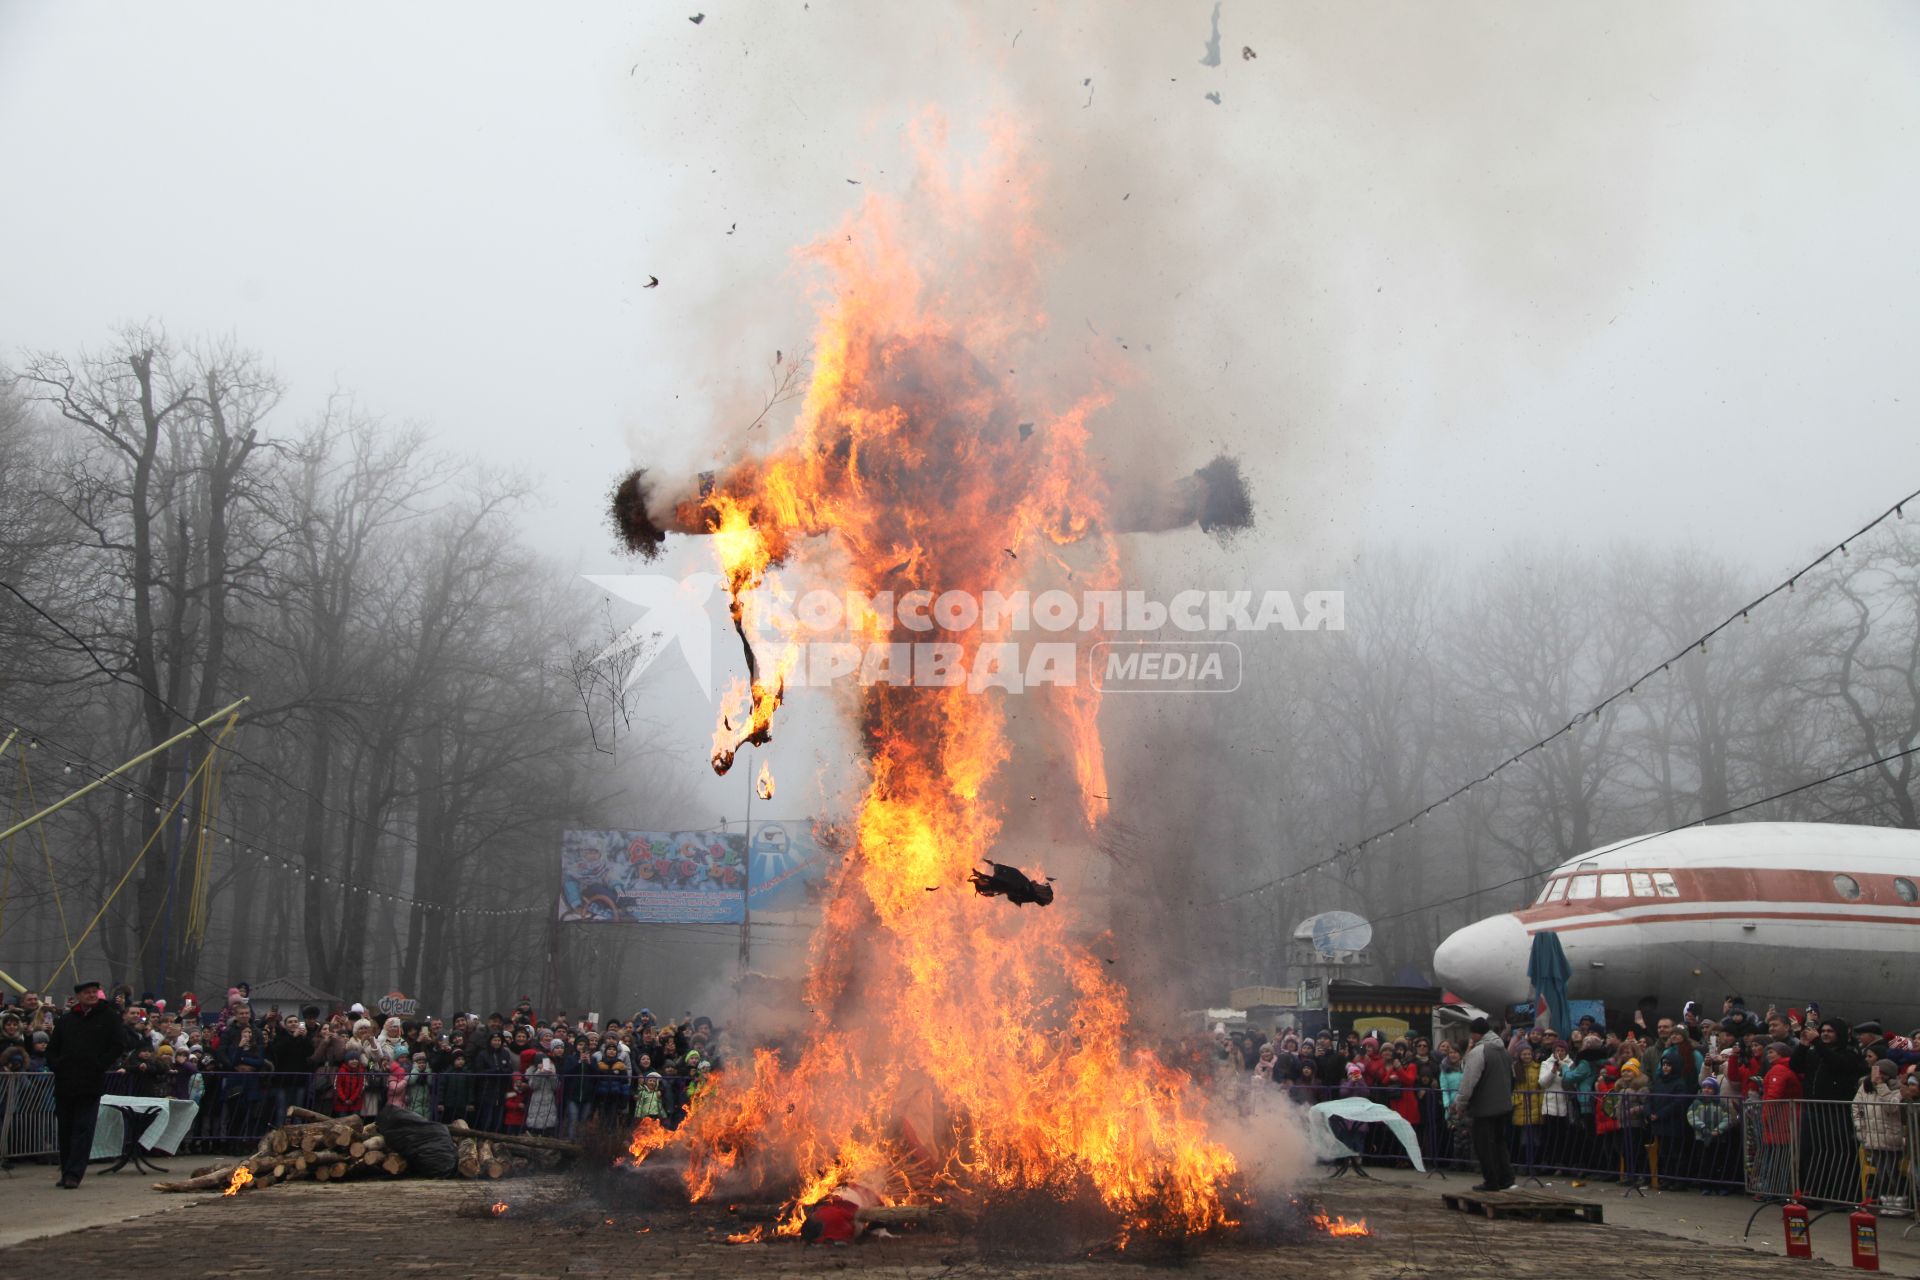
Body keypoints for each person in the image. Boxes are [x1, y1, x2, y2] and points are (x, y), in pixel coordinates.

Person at [45, 980, 132, 1189]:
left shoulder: (108, 1017)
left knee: (83, 1129)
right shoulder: (68, 1019)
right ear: (79, 996)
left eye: (95, 992)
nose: (91, 995)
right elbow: (53, 1046)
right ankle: (66, 1170)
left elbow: (118, 1045)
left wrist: (99, 1064)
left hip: (90, 1081)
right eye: (87, 992)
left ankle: (74, 1173)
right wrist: (57, 1064)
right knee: (65, 1129)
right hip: (65, 1081)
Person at [1450, 1017, 1514, 1192]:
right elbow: (1512, 1077)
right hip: (1504, 1104)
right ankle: (1506, 1178)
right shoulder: (1503, 1050)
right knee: (1499, 1143)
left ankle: (1491, 1181)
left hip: (1484, 1106)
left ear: (1476, 1033)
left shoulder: (1479, 1052)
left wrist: (1460, 1103)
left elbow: (1468, 1081)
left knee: (1483, 1145)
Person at [1852, 1059, 1905, 1209]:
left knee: (1892, 1171)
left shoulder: (1897, 1088)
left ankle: (1899, 1202)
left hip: (1890, 1136)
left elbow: (1891, 1107)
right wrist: (1860, 1128)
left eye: (1881, 1072)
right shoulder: (1865, 1086)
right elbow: (1857, 1106)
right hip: (1872, 1135)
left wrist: (1881, 1086)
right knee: (1881, 1173)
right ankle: (1887, 1202)